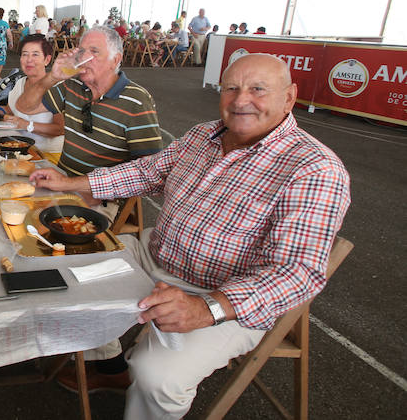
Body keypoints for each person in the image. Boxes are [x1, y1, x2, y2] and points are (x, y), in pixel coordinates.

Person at [30, 54, 350, 419]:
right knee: (69, 259)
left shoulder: (314, 169)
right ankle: (111, 364)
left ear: (289, 97)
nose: (241, 99)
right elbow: (148, 172)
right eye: (231, 88)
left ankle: (128, 373)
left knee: (157, 377)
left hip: (220, 296)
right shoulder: (204, 134)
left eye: (258, 89)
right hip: (155, 256)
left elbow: (296, 273)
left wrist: (208, 308)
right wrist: (72, 183)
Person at [16, 25, 162, 181]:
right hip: (61, 181)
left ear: (115, 60)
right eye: (81, 51)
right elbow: (24, 107)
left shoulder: (137, 101)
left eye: (94, 52)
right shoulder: (73, 84)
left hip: (103, 197)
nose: (83, 59)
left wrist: (79, 186)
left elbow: (150, 171)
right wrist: (52, 77)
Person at [0, 34, 64, 157]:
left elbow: (60, 129)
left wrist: (28, 125)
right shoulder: (20, 82)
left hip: (48, 154)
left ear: (47, 60)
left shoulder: (57, 87)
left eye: (35, 54)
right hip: (19, 148)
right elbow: (9, 110)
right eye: (25, 54)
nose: (29, 60)